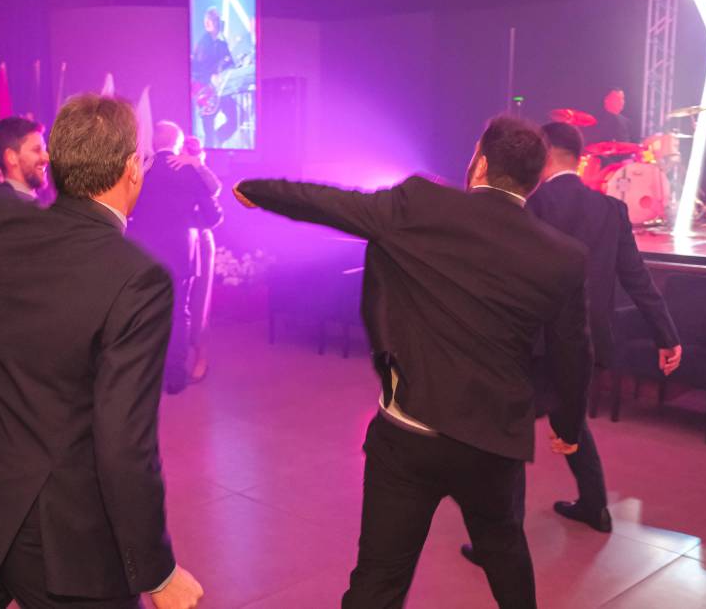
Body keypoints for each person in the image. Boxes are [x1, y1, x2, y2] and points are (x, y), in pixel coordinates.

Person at [234, 116, 593, 609]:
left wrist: (258, 190)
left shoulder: (421, 205)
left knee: (379, 580)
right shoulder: (563, 256)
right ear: (534, 182)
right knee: (505, 552)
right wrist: (568, 427)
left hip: (410, 435)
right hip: (492, 442)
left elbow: (330, 203)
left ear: (480, 164)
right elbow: (574, 353)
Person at [0, 94, 202, 608]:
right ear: (132, 168)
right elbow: (124, 440)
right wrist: (155, 570)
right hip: (56, 530)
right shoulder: (139, 277)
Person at [457, 123, 682, 560]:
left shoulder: (530, 205)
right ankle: (595, 507)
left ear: (543, 155)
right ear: (580, 158)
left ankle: (501, 543)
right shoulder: (610, 209)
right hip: (587, 343)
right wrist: (666, 335)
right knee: (570, 418)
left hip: (535, 342)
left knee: (511, 433)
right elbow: (637, 279)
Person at [128, 121, 223, 393]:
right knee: (179, 314)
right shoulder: (189, 171)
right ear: (178, 143)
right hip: (181, 254)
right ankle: (174, 378)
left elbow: (125, 210)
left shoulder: (140, 171)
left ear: (153, 142)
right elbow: (214, 216)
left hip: (143, 255)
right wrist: (188, 221)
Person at [167, 135, 222, 380]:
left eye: (188, 150)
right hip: (176, 240)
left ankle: (201, 356)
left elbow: (215, 189)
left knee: (199, 301)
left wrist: (197, 164)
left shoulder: (198, 170)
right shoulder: (167, 166)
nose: (182, 153)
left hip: (200, 239)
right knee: (177, 303)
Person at [191, 7, 238, 148]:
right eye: (207, 20)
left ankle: (217, 140)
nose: (208, 22)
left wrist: (230, 67)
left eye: (212, 20)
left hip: (221, 90)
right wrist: (210, 77)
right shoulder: (202, 44)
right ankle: (211, 148)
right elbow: (195, 69)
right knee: (209, 133)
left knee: (234, 120)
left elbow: (231, 63)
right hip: (206, 92)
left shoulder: (222, 44)